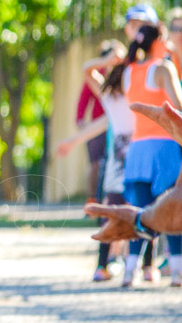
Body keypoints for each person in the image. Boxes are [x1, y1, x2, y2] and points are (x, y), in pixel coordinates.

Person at [56, 40, 132, 281]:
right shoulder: (109, 95)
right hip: (115, 161)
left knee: (135, 209)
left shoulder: (133, 90)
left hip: (137, 158)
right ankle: (106, 262)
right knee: (111, 208)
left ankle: (131, 262)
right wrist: (72, 141)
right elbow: (99, 124)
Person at [119, 23, 182, 287]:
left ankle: (130, 271)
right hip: (165, 147)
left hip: (138, 150)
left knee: (140, 212)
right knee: (173, 209)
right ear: (158, 41)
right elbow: (178, 108)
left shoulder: (129, 72)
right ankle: (178, 272)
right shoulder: (163, 68)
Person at [74, 68, 106, 204]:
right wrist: (80, 120)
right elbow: (84, 98)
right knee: (95, 164)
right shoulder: (97, 75)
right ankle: (92, 199)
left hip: (116, 127)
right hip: (96, 128)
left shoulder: (122, 73)